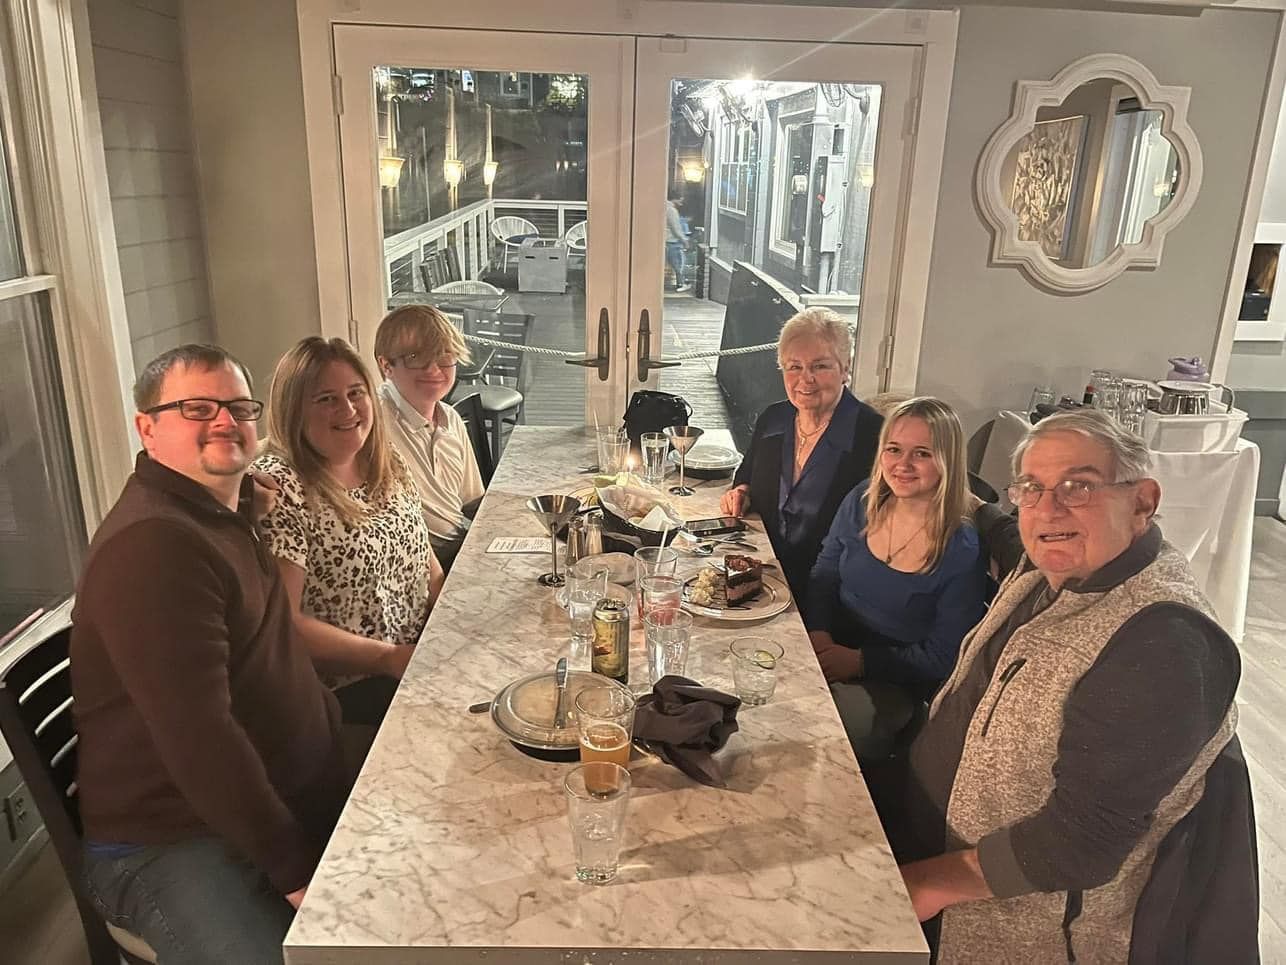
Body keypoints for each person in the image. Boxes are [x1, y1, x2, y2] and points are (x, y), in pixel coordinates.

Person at [883, 409, 1242, 962]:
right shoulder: (1051, 567)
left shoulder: (1162, 641)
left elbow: (1083, 840)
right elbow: (1009, 528)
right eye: (1032, 487)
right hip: (925, 842)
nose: (1049, 508)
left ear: (1143, 501)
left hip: (1008, 926)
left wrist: (927, 883)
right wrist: (968, 501)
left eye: (1079, 486)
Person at [71, 344, 351, 964]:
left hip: (273, 801)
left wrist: (248, 502)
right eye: (197, 408)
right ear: (147, 428)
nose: (224, 421)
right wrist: (294, 869)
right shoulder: (155, 548)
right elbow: (200, 740)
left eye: (237, 407)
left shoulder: (218, 512)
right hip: (174, 841)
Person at [253, 336, 442, 728]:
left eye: (356, 393)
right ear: (293, 411)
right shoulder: (282, 487)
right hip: (352, 688)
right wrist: (390, 658)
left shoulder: (385, 463)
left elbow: (428, 564)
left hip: (416, 657)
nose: (348, 409)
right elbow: (287, 625)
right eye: (325, 399)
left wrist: (458, 624)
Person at [805, 398, 989, 763]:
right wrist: (818, 632)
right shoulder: (862, 499)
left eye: (921, 453)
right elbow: (824, 573)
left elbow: (944, 655)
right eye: (893, 449)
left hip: (894, 679)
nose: (902, 465)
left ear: (947, 461)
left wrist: (858, 663)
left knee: (819, 734)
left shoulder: (960, 549)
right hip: (829, 646)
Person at [720, 307, 884, 600]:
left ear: (845, 368)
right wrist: (741, 491)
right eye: (794, 367)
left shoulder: (873, 435)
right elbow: (745, 475)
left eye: (820, 366)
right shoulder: (774, 418)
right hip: (763, 579)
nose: (805, 379)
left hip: (832, 596)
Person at [373, 304, 485, 571]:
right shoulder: (371, 420)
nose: (434, 369)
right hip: (412, 564)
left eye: (445, 356)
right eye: (415, 357)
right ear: (386, 365)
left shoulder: (451, 418)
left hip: (462, 549)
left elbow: (472, 502)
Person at [665, 191, 689, 292]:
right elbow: (676, 228)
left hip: (666, 241)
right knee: (679, 264)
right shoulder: (671, 210)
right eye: (680, 200)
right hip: (673, 241)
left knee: (674, 263)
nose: (681, 203)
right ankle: (681, 284)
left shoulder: (663, 206)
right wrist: (684, 240)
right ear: (674, 198)